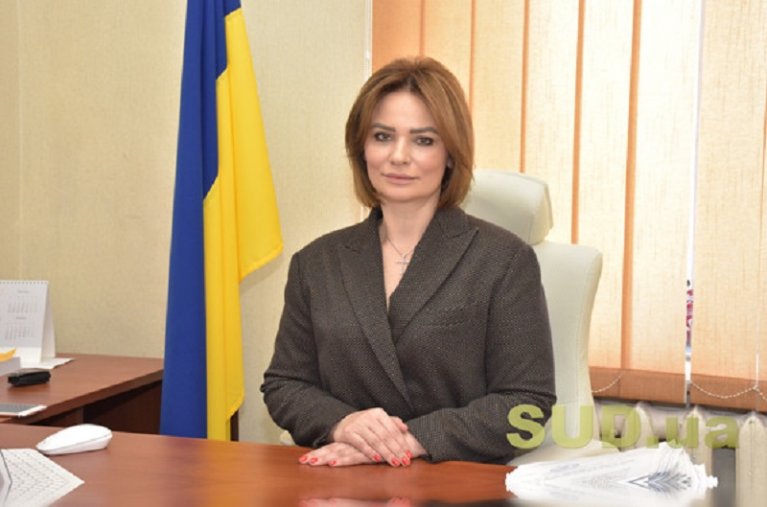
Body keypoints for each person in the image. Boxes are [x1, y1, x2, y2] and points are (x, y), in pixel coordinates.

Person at [261, 57, 555, 467]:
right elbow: (286, 384)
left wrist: (410, 439)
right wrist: (344, 423)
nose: (398, 156)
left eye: (423, 140)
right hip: (342, 479)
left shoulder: (503, 260)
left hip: (453, 479)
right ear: (361, 149)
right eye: (382, 136)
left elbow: (526, 404)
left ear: (450, 154)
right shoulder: (316, 264)